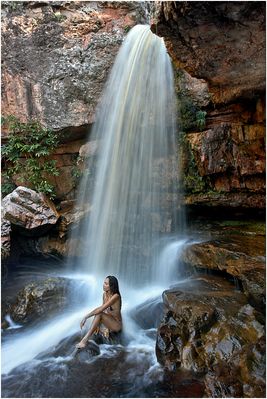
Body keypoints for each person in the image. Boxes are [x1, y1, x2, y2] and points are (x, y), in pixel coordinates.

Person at [76, 275, 122, 349]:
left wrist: (86, 317)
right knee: (99, 314)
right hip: (109, 321)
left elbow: (100, 310)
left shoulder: (116, 296)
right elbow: (104, 310)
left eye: (106, 284)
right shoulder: (105, 294)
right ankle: (88, 336)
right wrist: (99, 325)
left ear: (112, 286)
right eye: (104, 283)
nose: (103, 285)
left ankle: (84, 340)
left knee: (99, 313)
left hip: (117, 325)